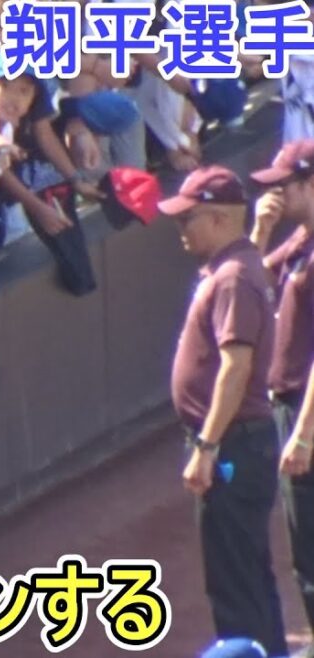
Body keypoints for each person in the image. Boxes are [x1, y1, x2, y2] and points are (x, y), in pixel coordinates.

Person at [158, 166, 287, 656]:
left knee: (236, 585)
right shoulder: (237, 265)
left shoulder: (233, 277)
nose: (181, 230)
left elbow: (236, 367)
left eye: (187, 219)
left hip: (233, 444)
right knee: (247, 574)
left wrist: (207, 446)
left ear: (218, 219)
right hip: (240, 442)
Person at [248, 139, 314, 651]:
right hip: (290, 406)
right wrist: (261, 231)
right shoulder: (299, 241)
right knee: (304, 547)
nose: (274, 195)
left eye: (284, 186)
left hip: (305, 410)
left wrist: (304, 433)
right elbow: (245, 288)